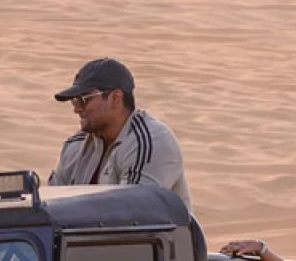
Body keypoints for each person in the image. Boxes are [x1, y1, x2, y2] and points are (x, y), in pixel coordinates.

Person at [48, 58, 191, 209]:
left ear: (115, 98)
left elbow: (131, 212)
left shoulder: (151, 142)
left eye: (83, 100)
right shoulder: (75, 145)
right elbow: (50, 206)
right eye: (74, 101)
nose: (76, 109)